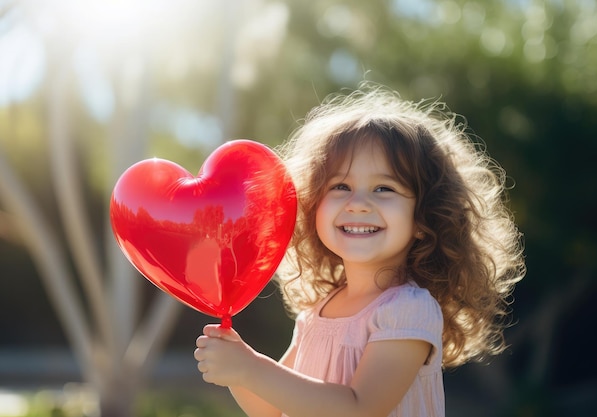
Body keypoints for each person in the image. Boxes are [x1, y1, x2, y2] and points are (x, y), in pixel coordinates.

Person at [194, 84, 526, 417]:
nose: (358, 204)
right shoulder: (317, 313)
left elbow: (360, 408)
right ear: (312, 206)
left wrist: (253, 369)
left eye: (384, 188)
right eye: (341, 186)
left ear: (425, 216)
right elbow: (269, 408)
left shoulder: (407, 310)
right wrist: (237, 371)